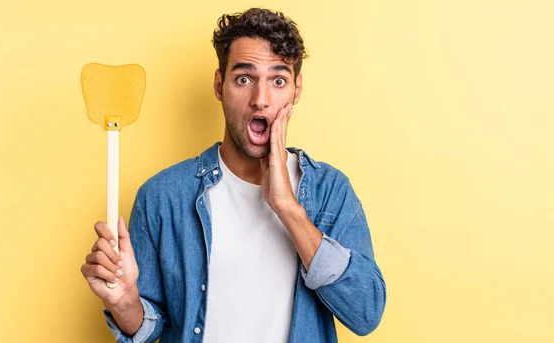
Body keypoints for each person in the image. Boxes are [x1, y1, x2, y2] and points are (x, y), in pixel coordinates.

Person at [81, 8, 386, 343]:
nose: (260, 100)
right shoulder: (162, 196)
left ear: (296, 90)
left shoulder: (331, 193)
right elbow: (149, 323)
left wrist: (288, 208)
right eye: (244, 79)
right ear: (219, 85)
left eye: (278, 80)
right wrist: (125, 302)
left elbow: (366, 313)